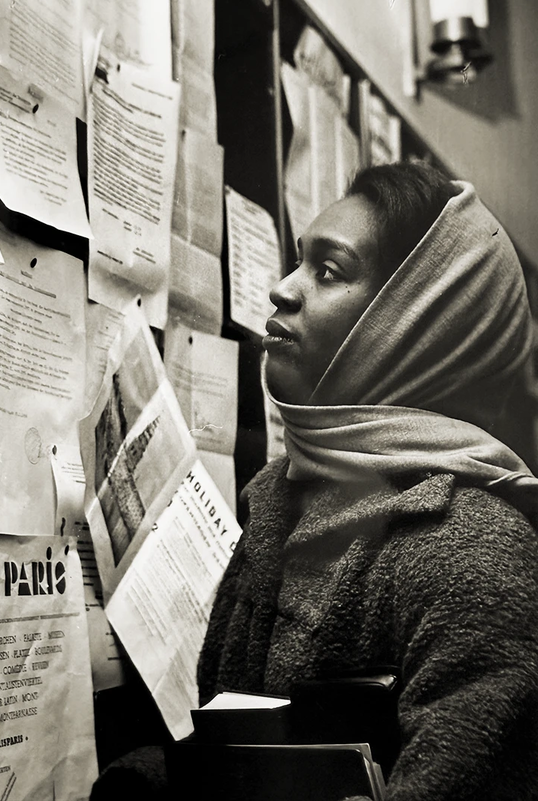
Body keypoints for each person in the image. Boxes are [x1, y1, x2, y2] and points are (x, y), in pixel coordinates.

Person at [92, 161, 538, 801]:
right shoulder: (278, 504)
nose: (282, 289)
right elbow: (240, 753)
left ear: (414, 322)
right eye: (297, 262)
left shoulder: (478, 552)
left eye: (328, 271)